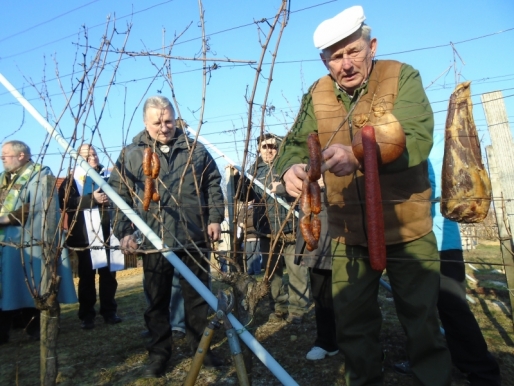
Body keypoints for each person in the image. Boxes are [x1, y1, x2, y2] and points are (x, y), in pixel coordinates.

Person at [275, 6, 452, 384]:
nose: (346, 64)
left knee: (422, 321)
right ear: (325, 62)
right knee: (353, 324)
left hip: (408, 227)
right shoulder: (317, 93)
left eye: (353, 51)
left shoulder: (401, 77)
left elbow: (416, 137)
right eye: (335, 57)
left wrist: (358, 156)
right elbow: (291, 144)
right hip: (346, 232)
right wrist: (290, 168)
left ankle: (433, 378)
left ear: (372, 45)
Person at [108, 95, 225, 378]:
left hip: (193, 233)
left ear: (176, 118)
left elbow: (212, 183)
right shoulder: (131, 154)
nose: (164, 127)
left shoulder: (195, 149)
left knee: (197, 297)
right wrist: (123, 232)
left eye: (168, 120)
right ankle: (159, 354)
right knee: (156, 299)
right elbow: (119, 195)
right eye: (157, 122)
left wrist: (214, 218)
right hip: (153, 237)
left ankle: (200, 347)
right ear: (146, 123)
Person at [394, 132, 501, 385]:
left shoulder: (429, 147)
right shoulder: (419, 143)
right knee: (423, 308)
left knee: (451, 308)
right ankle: (425, 358)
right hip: (426, 241)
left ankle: (482, 371)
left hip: (438, 242)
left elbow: (424, 190)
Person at [1, 140, 77, 344]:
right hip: (7, 241)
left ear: (22, 156)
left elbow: (35, 208)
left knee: (30, 282)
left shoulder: (40, 175)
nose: (2, 158)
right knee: (7, 285)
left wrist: (4, 219)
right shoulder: (5, 178)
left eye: (6, 154)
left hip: (29, 240)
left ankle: (36, 328)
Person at [239, 133, 310, 324]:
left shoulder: (287, 167)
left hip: (291, 228)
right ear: (258, 149)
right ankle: (279, 307)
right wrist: (240, 180)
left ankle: (297, 310)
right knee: (272, 273)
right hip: (266, 230)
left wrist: (283, 187)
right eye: (265, 147)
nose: (269, 150)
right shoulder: (252, 171)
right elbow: (243, 197)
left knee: (297, 271)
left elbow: (303, 190)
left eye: (272, 146)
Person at [59, 144, 122, 330]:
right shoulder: (72, 180)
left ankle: (109, 312)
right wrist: (90, 199)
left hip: (109, 232)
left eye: (94, 154)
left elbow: (123, 194)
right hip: (85, 236)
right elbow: (65, 203)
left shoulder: (110, 175)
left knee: (109, 276)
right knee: (87, 277)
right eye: (87, 156)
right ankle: (87, 315)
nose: (93, 158)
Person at [295, 180, 338, 360]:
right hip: (317, 225)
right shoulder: (304, 155)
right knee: (321, 290)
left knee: (354, 292)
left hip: (350, 221)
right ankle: (326, 341)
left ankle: (357, 341)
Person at [238, 201, 262, 275]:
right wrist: (241, 224)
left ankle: (257, 271)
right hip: (246, 236)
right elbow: (239, 220)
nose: (248, 202)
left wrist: (245, 223)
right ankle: (250, 271)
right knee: (248, 253)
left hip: (255, 236)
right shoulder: (243, 210)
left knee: (256, 254)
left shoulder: (256, 209)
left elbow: (253, 222)